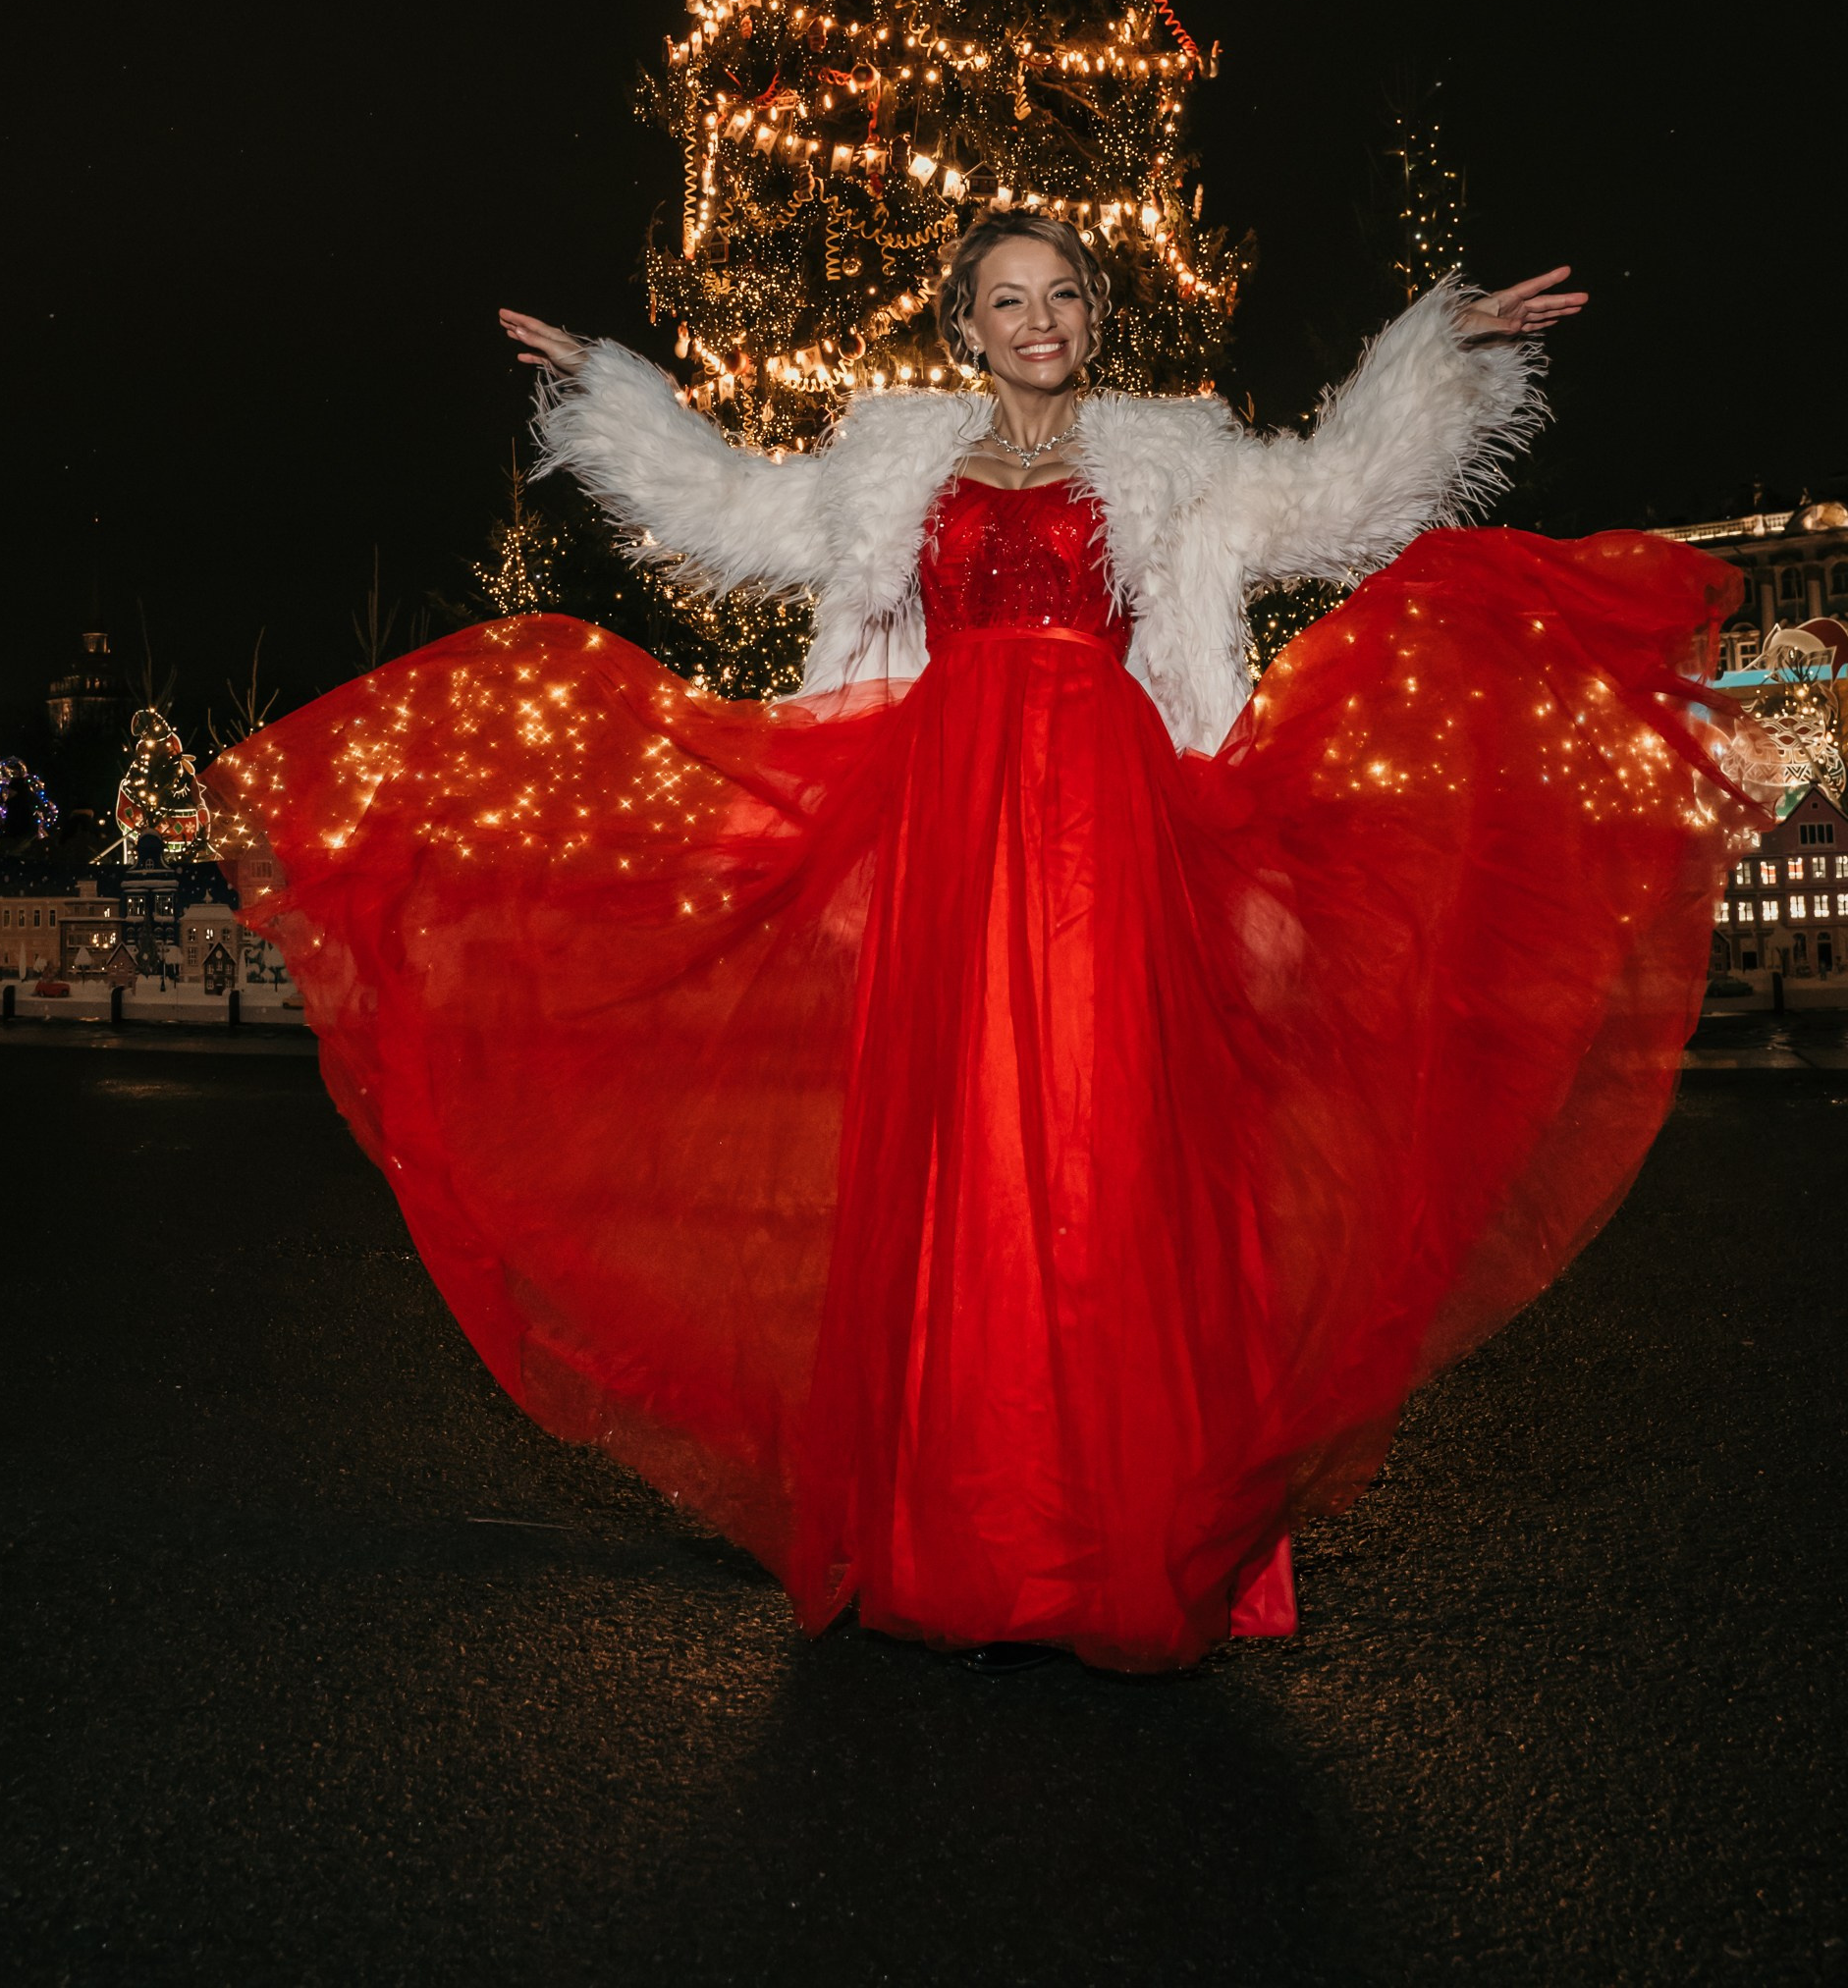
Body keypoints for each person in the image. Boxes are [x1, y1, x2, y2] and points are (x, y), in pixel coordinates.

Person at [208, 221, 1749, 1675]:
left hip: (1110, 827)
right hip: (945, 822)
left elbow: (1338, 492)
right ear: (966, 328)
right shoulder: (897, 458)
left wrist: (1444, 348)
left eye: (1061, 297)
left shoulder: (1174, 456)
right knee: (964, 1148)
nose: (1039, 323)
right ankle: (961, 1526)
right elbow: (734, 508)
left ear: (1093, 317)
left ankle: (1112, 1529)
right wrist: (608, 393)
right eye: (1007, 301)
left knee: (1102, 1143)